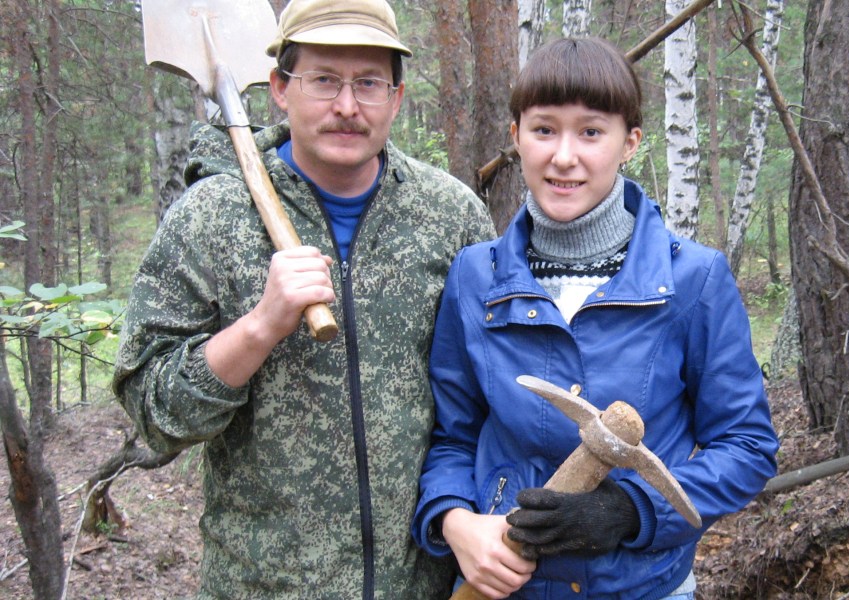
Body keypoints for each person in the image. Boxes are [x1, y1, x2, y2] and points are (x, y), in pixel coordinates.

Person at [111, 0, 494, 597]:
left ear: (396, 98)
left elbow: (486, 399)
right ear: (279, 88)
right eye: (324, 80)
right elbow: (153, 412)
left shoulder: (451, 216)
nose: (347, 106)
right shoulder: (211, 217)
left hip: (423, 580)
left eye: (369, 83)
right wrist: (260, 327)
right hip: (264, 585)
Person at [412, 37, 779, 600]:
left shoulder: (693, 280)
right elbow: (452, 438)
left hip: (645, 589)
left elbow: (745, 446)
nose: (564, 156)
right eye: (544, 129)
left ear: (629, 142)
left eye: (590, 132)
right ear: (516, 136)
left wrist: (630, 510)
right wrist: (456, 522)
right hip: (503, 587)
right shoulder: (475, 277)